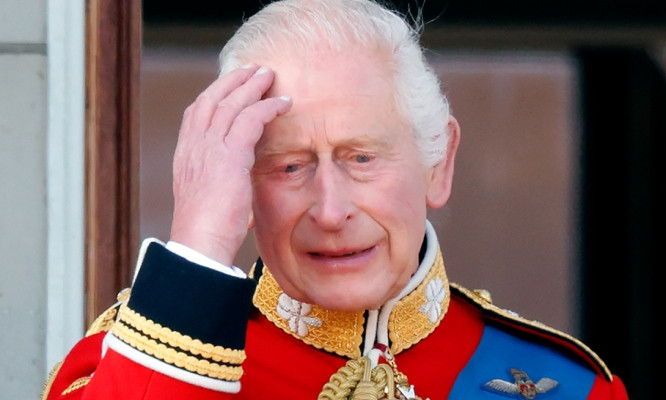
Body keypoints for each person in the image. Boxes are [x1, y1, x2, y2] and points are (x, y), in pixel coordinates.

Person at [43, 0, 628, 399]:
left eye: (362, 158)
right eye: (288, 166)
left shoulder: (566, 387)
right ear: (243, 186)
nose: (330, 211)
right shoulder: (137, 359)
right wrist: (199, 245)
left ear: (439, 163)